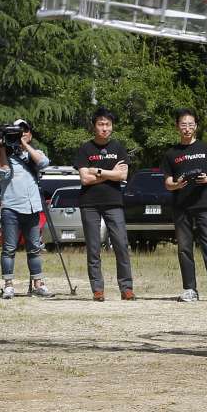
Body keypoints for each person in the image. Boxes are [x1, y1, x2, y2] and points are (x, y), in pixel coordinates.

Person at [160, 108, 207, 303]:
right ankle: (189, 289)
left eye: (190, 124)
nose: (187, 128)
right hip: (181, 206)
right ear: (178, 126)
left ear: (196, 126)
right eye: (183, 124)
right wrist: (176, 184)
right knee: (185, 249)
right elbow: (167, 183)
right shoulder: (171, 154)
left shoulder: (206, 148)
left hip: (205, 205)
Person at [73, 107, 134, 301]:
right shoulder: (85, 149)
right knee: (93, 247)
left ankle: (126, 288)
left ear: (112, 127)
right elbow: (84, 179)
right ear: (94, 126)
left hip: (114, 202)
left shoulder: (118, 148)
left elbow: (123, 175)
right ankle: (97, 290)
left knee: (121, 245)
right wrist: (110, 174)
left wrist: (98, 171)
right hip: (89, 203)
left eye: (108, 124)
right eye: (100, 124)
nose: (104, 128)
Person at [0, 119, 54, 299]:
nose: (22, 133)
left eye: (25, 131)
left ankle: (38, 283)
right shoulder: (3, 154)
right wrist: (3, 148)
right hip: (11, 207)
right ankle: (8, 285)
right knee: (9, 248)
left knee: (34, 248)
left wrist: (22, 143)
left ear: (30, 134)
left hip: (32, 206)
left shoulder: (34, 153)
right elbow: (4, 173)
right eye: (18, 132)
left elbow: (43, 163)